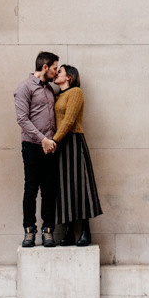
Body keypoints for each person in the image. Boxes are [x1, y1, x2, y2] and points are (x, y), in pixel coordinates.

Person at [50, 64, 102, 247]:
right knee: (64, 188)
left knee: (80, 186)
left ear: (69, 77)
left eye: (60, 71)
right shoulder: (58, 96)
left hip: (73, 142)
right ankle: (69, 231)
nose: (56, 73)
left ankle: (86, 231)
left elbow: (69, 120)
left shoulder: (76, 93)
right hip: (61, 144)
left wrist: (54, 140)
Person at [14, 51, 59, 248]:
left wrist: (51, 141)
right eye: (55, 69)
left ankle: (48, 231)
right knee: (31, 188)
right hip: (32, 146)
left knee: (50, 189)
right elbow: (22, 119)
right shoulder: (24, 87)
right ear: (44, 67)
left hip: (51, 148)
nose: (56, 73)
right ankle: (29, 231)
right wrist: (43, 140)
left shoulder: (50, 89)